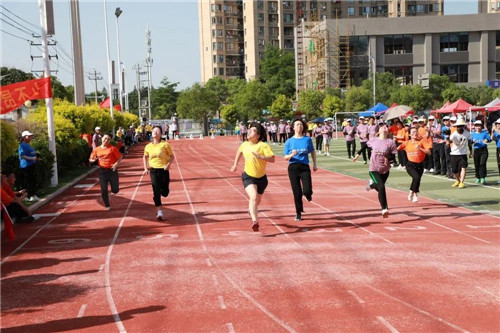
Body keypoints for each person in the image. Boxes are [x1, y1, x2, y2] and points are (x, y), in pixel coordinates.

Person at [230, 123, 275, 231]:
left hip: (262, 178)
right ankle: (255, 221)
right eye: (249, 130)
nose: (249, 131)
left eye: (253, 130)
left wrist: (261, 157)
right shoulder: (245, 144)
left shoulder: (263, 145)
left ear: (258, 135)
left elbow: (272, 159)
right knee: (253, 197)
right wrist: (235, 164)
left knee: (257, 201)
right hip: (248, 176)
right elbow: (239, 151)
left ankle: (252, 209)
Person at [357, 122, 397, 218]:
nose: (384, 128)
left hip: (385, 170)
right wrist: (358, 154)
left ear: (388, 131)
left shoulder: (390, 142)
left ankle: (371, 185)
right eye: (382, 127)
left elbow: (393, 156)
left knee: (379, 187)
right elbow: (365, 146)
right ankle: (384, 209)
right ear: (378, 132)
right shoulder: (373, 140)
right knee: (382, 187)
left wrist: (389, 159)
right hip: (373, 169)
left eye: (385, 127)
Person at [284, 119, 318, 221]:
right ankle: (298, 212)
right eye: (297, 124)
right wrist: (291, 154)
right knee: (297, 192)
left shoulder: (307, 139)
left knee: (307, 190)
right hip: (293, 168)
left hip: (304, 167)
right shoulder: (289, 141)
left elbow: (312, 152)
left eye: (301, 125)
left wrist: (315, 164)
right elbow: (285, 157)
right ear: (293, 127)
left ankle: (308, 194)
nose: (299, 126)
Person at [143, 126, 175, 221]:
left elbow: (172, 156)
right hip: (153, 170)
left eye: (157, 131)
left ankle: (165, 189)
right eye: (154, 131)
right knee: (155, 191)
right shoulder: (148, 146)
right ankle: (159, 212)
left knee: (164, 193)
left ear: (161, 134)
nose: (155, 133)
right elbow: (145, 157)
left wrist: (168, 164)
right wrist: (145, 168)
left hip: (164, 169)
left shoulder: (165, 144)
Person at [397, 127, 432, 203]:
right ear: (409, 134)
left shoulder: (422, 142)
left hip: (420, 164)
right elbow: (396, 149)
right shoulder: (406, 143)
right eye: (412, 132)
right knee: (416, 177)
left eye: (415, 132)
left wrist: (421, 149)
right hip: (410, 164)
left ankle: (413, 193)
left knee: (417, 179)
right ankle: (413, 194)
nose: (414, 134)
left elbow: (429, 152)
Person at [89, 134, 123, 210]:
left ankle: (114, 189)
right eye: (105, 139)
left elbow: (120, 157)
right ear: (102, 139)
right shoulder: (97, 149)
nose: (106, 140)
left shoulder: (112, 148)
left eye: (108, 139)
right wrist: (93, 160)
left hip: (112, 170)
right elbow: (90, 159)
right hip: (102, 171)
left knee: (115, 190)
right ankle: (107, 205)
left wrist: (116, 164)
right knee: (104, 190)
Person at [449, 118, 471, 189]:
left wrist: (471, 151)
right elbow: (449, 141)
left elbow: (469, 142)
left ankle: (462, 182)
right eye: (458, 126)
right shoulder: (453, 135)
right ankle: (458, 180)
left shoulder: (467, 133)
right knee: (454, 170)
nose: (460, 128)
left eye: (461, 126)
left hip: (463, 153)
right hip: (454, 153)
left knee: (463, 168)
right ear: (456, 127)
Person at [18, 130, 40, 202]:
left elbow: (32, 154)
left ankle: (33, 195)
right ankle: (26, 196)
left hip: (32, 165)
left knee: (32, 181)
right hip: (26, 166)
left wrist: (36, 158)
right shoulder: (22, 145)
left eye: (31, 136)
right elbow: (23, 156)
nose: (30, 137)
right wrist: (31, 158)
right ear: (24, 137)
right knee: (27, 181)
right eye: (29, 136)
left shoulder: (28, 145)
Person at [470, 120, 491, 184]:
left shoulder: (485, 133)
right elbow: (470, 142)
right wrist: (472, 141)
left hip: (484, 150)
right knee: (477, 164)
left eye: (479, 126)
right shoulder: (472, 134)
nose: (478, 127)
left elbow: (489, 139)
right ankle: (477, 177)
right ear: (474, 127)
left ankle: (483, 177)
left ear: (481, 126)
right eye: (476, 126)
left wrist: (487, 140)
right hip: (476, 150)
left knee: (482, 163)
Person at [492, 119, 500, 184]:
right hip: (498, 148)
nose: (497, 125)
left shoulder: (497, 131)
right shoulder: (495, 131)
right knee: (499, 163)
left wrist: (496, 130)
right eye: (497, 124)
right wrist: (492, 131)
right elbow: (492, 138)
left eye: (499, 124)